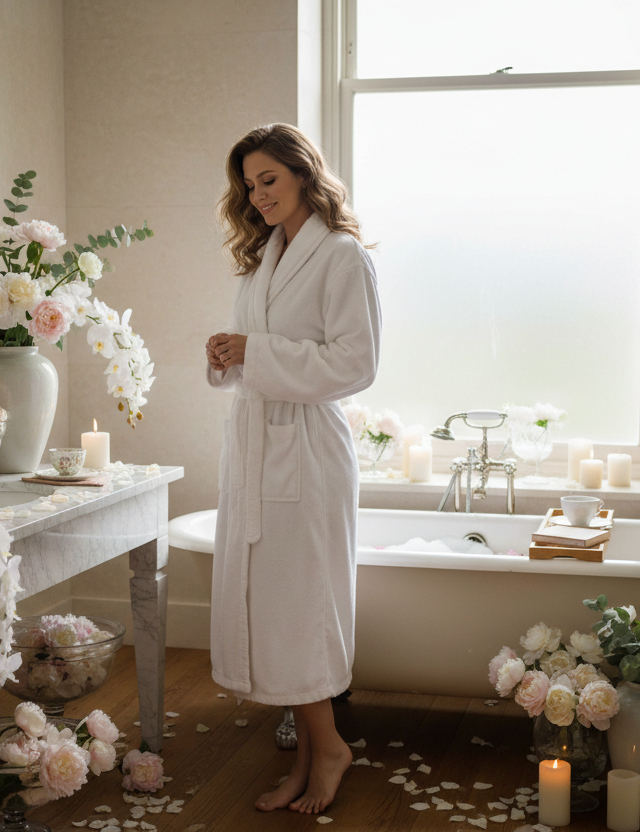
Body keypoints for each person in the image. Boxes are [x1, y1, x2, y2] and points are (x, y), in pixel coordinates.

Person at [205, 123, 382, 814]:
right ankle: (310, 758)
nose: (258, 195)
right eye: (249, 185)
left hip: (308, 452)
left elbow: (355, 365)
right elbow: (258, 354)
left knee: (301, 606)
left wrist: (257, 349)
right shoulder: (263, 257)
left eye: (269, 180)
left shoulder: (343, 257)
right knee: (276, 604)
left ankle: (329, 750)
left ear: (304, 173)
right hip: (258, 444)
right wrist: (228, 354)